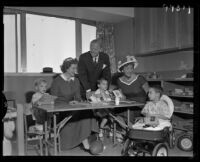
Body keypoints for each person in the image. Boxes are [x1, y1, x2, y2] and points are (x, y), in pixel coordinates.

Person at [50, 57, 99, 151]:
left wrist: (78, 101)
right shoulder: (57, 81)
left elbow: (78, 97)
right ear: (66, 68)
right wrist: (68, 103)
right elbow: (53, 100)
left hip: (72, 108)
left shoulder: (75, 80)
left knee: (87, 112)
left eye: (76, 68)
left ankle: (86, 141)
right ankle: (86, 144)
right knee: (82, 113)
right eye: (73, 68)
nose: (76, 70)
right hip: (60, 110)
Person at [114, 55, 149, 125]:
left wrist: (149, 106)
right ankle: (123, 131)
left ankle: (130, 130)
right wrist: (119, 97)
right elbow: (122, 96)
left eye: (131, 68)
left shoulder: (140, 79)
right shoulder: (119, 81)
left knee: (128, 111)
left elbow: (149, 93)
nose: (129, 70)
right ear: (122, 69)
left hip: (141, 107)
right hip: (128, 105)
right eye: (127, 68)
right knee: (115, 111)